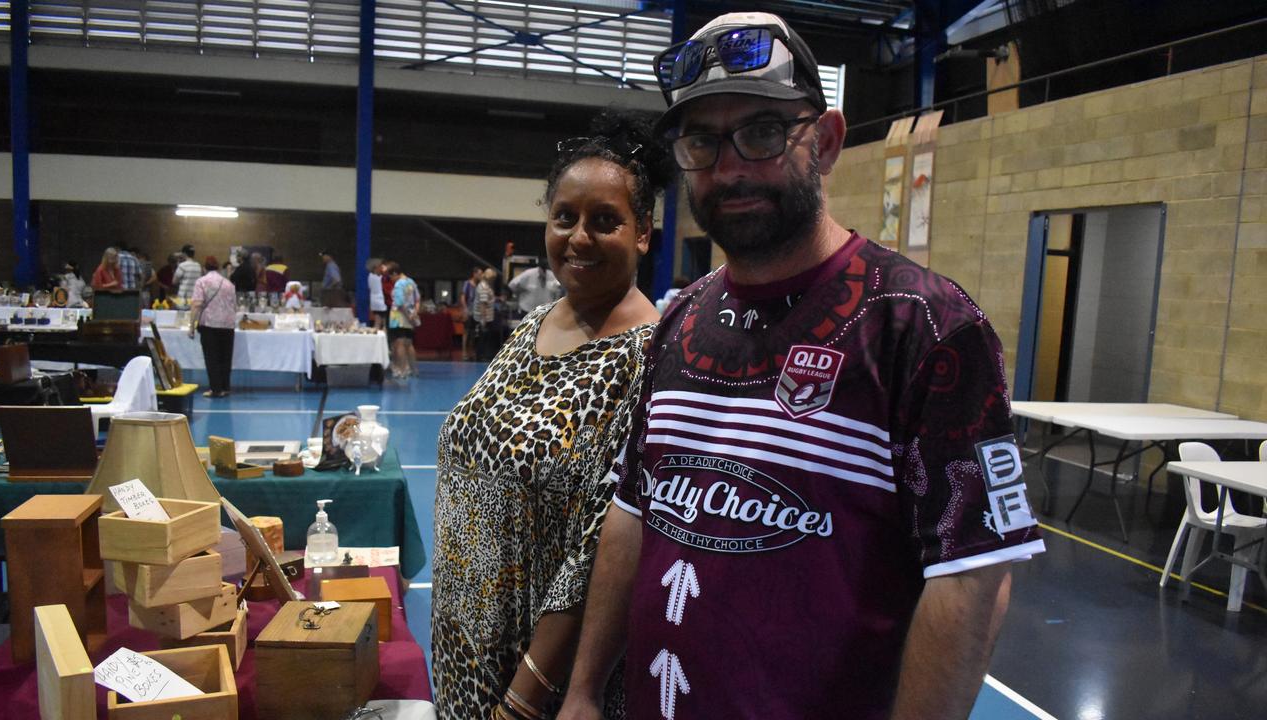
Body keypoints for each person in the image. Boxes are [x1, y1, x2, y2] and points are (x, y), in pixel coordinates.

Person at [558, 13, 1045, 720]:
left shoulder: (924, 325)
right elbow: (633, 511)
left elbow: (972, 580)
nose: (729, 168)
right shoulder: (679, 320)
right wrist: (581, 690)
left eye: (761, 132)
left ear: (825, 141)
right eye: (702, 141)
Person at [434, 110, 671, 720]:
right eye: (564, 217)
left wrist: (527, 692)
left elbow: (601, 548)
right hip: (466, 649)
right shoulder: (535, 324)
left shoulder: (650, 357)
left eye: (604, 221)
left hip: (540, 675)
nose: (579, 238)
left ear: (643, 231)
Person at [189, 256, 237, 398]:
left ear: (204, 268)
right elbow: (234, 305)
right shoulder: (229, 283)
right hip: (228, 324)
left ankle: (216, 389)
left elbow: (196, 304)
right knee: (225, 357)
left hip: (210, 324)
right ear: (218, 268)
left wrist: (191, 325)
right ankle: (225, 387)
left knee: (212, 357)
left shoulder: (202, 282)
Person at [386, 262, 420, 379]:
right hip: (410, 315)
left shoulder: (399, 284)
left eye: (390, 276)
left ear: (395, 273)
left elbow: (400, 304)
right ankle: (413, 369)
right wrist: (414, 313)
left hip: (398, 317)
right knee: (409, 343)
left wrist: (406, 315)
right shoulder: (411, 282)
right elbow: (417, 299)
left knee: (398, 343)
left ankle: (402, 369)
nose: (391, 279)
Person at [472, 267, 498, 362]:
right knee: (482, 338)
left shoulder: (485, 285)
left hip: (486, 317)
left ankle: (482, 355)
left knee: (483, 338)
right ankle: (481, 357)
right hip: (484, 318)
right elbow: (483, 304)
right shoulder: (484, 287)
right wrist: (483, 320)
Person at [460, 266, 482, 360]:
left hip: (476, 312)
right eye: (480, 274)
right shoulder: (467, 284)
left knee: (473, 333)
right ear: (475, 274)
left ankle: (471, 352)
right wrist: (465, 309)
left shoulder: (479, 285)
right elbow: (462, 297)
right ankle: (464, 353)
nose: (481, 276)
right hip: (468, 311)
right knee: (466, 332)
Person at [367, 258, 388, 328]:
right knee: (385, 323)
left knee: (377, 322)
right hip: (382, 300)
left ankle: (375, 337)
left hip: (374, 301)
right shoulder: (381, 277)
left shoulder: (370, 276)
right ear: (376, 267)